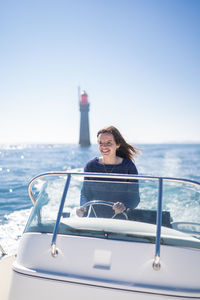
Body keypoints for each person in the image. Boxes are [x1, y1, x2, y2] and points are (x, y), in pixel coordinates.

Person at [77, 126, 140, 218]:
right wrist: (82, 208)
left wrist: (124, 206)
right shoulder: (91, 166)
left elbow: (134, 199)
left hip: (121, 219)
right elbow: (85, 194)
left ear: (117, 144)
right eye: (100, 143)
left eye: (109, 143)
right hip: (94, 219)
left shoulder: (128, 167)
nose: (104, 146)